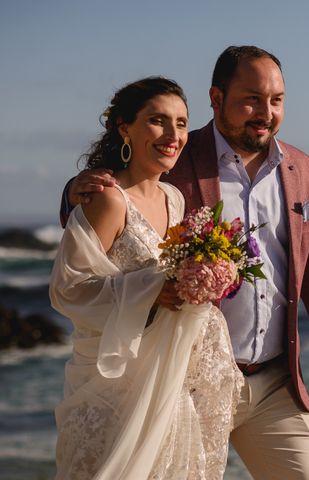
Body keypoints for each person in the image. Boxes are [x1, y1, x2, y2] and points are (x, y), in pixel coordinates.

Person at [62, 46, 309, 479]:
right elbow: (112, 199)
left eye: (276, 100)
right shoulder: (177, 151)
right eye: (251, 99)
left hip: (274, 379)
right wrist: (74, 191)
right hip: (188, 382)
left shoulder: (302, 168)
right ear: (216, 99)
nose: (265, 111)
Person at [50, 77, 243, 479]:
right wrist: (151, 291)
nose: (173, 135)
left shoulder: (175, 198)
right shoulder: (107, 197)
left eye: (181, 123)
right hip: (116, 390)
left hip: (171, 387)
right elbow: (67, 290)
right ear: (125, 128)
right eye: (157, 121)